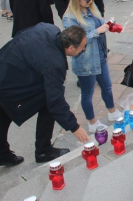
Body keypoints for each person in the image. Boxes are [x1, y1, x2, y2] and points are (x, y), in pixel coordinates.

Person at [0, 23, 90, 166]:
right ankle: (43, 151)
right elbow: (55, 101)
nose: (84, 49)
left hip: (7, 64)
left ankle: (4, 154)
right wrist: (75, 127)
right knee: (47, 104)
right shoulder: (53, 63)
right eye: (82, 47)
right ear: (71, 47)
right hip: (9, 82)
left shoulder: (49, 28)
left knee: (3, 117)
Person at [62, 0, 122, 132]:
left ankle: (112, 112)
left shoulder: (90, 6)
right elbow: (75, 42)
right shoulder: (69, 18)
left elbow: (98, 21)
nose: (90, 2)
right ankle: (92, 122)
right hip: (85, 61)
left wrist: (108, 23)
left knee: (107, 87)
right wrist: (98, 31)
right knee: (87, 93)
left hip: (100, 54)